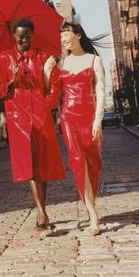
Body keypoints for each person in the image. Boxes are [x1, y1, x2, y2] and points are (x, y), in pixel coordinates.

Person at [0, 17, 66, 230]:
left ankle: (41, 210)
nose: (24, 39)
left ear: (32, 35)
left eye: (28, 36)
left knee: (42, 165)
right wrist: (11, 83)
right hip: (18, 118)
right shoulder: (5, 58)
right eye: (20, 36)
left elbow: (55, 84)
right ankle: (42, 212)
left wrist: (47, 103)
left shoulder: (43, 57)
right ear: (13, 36)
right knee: (31, 164)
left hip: (41, 115)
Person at [44, 21, 106, 235]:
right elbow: (52, 99)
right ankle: (92, 212)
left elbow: (101, 92)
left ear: (78, 35)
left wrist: (98, 120)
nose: (63, 39)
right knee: (78, 161)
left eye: (66, 34)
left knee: (93, 163)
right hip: (68, 117)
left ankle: (91, 202)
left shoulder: (94, 60)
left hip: (89, 117)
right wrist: (46, 72)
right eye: (60, 36)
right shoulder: (61, 65)